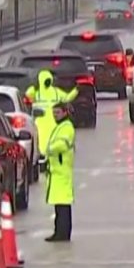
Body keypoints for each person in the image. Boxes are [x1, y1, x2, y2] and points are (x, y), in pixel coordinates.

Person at [25, 69, 78, 167]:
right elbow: (28, 95)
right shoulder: (38, 92)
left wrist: (76, 90)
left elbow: (67, 98)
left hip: (50, 122)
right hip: (43, 122)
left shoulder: (51, 92)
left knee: (50, 142)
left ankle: (46, 157)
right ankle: (44, 157)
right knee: (44, 142)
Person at [44, 101, 76, 242]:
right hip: (56, 171)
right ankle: (59, 232)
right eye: (53, 113)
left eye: (57, 113)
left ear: (64, 112)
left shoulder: (67, 127)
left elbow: (62, 144)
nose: (55, 115)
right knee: (59, 205)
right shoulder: (60, 127)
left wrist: (50, 150)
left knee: (63, 205)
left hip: (62, 172)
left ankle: (62, 233)